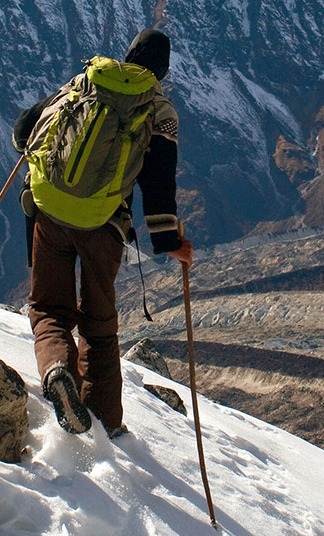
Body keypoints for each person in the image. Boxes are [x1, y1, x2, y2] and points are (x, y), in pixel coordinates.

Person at [13, 28, 191, 436]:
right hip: (104, 224)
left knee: (48, 309)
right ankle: (106, 425)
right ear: (162, 72)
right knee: (99, 325)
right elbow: (158, 186)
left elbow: (26, 127)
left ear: (127, 55)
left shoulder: (86, 81)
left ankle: (57, 370)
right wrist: (171, 244)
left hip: (49, 213)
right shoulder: (160, 111)